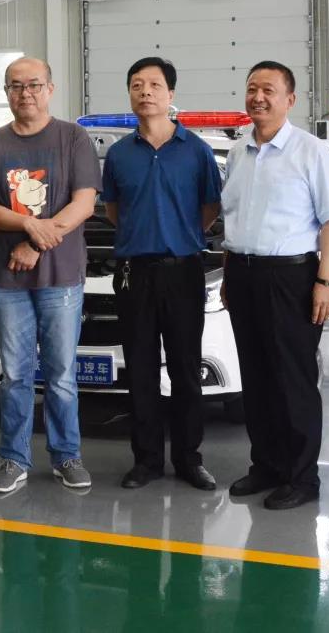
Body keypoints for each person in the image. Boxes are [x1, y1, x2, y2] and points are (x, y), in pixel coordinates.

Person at [220, 60, 329, 510]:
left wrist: (326, 281)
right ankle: (267, 465)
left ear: (290, 99)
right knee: (255, 376)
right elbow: (233, 219)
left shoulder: (311, 151)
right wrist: (230, 274)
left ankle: (302, 476)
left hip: (291, 276)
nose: (258, 97)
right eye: (252, 88)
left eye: (269, 90)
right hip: (243, 273)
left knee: (293, 378)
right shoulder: (238, 152)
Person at [0, 57, 101, 493]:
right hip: (8, 281)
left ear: (50, 88)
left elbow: (84, 204)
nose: (24, 93)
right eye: (15, 86)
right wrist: (28, 223)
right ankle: (13, 458)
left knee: (62, 374)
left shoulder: (72, 138)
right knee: (15, 375)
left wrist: (35, 243)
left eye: (33, 84)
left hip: (61, 277)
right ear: (6, 92)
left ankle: (67, 456)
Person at [101, 57, 221, 492]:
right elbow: (114, 211)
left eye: (154, 84)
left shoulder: (197, 151)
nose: (145, 91)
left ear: (171, 94)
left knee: (186, 369)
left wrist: (178, 236)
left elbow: (210, 209)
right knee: (141, 369)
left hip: (183, 271)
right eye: (136, 84)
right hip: (134, 273)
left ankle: (189, 459)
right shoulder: (119, 155)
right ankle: (147, 460)